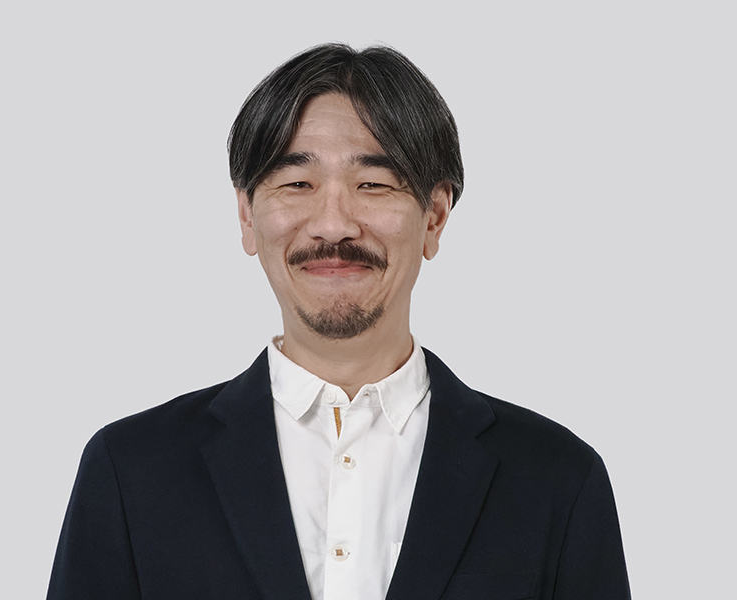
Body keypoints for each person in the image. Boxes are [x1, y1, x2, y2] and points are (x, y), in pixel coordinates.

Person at [47, 43, 631, 600]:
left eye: (372, 184)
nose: (332, 225)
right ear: (247, 216)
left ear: (434, 216)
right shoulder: (130, 472)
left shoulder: (557, 480)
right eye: (296, 184)